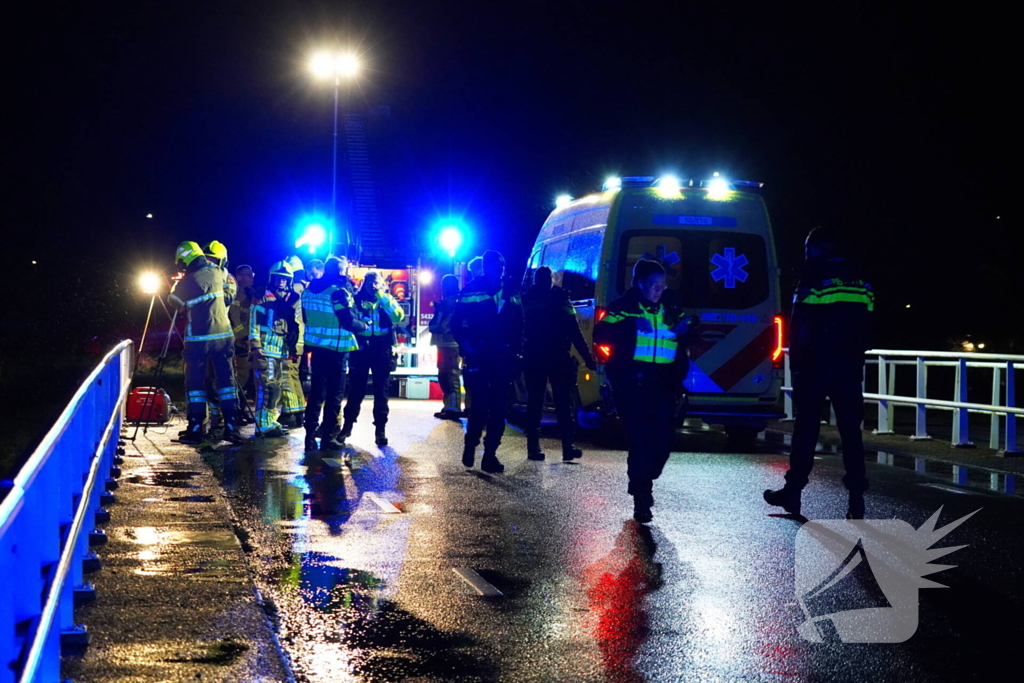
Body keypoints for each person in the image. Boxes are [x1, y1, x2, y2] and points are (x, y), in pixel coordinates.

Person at [764, 227, 874, 519]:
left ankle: (793, 493)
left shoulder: (813, 276)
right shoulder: (860, 278)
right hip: (849, 367)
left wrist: (797, 364)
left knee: (806, 431)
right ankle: (856, 500)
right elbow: (870, 324)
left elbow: (800, 326)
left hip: (814, 367)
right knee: (851, 432)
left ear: (815, 249)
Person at [593, 259, 698, 523]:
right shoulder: (624, 307)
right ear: (640, 284)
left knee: (663, 440)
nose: (658, 290)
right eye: (654, 285)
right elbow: (600, 333)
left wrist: (686, 330)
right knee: (639, 439)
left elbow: (689, 333)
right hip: (632, 383)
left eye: (662, 285)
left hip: (663, 384)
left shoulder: (670, 307)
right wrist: (629, 327)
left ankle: (642, 479)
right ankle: (642, 497)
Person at [451, 250, 524, 473]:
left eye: (501, 266)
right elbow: (456, 322)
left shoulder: (511, 289)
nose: (499, 269)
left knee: (499, 409)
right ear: (486, 267)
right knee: (481, 406)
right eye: (495, 266)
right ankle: (471, 443)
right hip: (479, 356)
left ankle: (490, 454)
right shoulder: (473, 288)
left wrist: (517, 351)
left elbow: (520, 323)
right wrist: (466, 345)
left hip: (503, 357)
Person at [168, 241, 242, 445]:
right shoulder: (220, 273)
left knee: (195, 385)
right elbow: (228, 295)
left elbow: (173, 301)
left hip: (198, 341)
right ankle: (231, 427)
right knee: (227, 382)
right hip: (223, 339)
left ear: (185, 260)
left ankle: (196, 427)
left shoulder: (187, 282)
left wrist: (178, 283)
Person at [521, 266, 597, 461]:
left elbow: (518, 330)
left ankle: (536, 447)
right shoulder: (560, 298)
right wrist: (587, 358)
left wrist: (587, 358)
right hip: (554, 356)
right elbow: (574, 331)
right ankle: (566, 446)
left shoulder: (527, 298)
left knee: (537, 403)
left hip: (537, 356)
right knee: (561, 403)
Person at [301, 255, 364, 452]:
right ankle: (328, 437)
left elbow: (306, 317)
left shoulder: (308, 291)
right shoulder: (337, 292)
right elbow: (348, 320)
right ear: (339, 271)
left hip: (317, 348)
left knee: (316, 394)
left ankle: (310, 437)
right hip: (336, 350)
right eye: (344, 270)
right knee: (334, 395)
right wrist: (364, 325)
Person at [340, 270, 406, 446]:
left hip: (382, 349)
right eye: (370, 282)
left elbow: (398, 316)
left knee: (381, 392)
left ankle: (380, 430)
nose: (373, 285)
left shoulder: (386, 299)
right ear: (364, 283)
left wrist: (380, 294)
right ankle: (347, 427)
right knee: (356, 391)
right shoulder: (355, 299)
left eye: (376, 282)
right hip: (360, 349)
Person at [249, 261, 302, 438]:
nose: (281, 282)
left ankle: (270, 421)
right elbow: (253, 323)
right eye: (278, 279)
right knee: (267, 388)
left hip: (281, 351)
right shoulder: (262, 296)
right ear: (272, 278)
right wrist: (256, 346)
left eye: (285, 280)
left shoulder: (291, 299)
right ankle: (262, 424)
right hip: (265, 350)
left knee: (276, 389)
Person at [278, 256, 308, 427]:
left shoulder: (295, 289)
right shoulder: (305, 287)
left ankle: (290, 412)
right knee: (294, 375)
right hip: (301, 339)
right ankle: (297, 411)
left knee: (286, 375)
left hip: (292, 339)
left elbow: (285, 311)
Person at [429, 274, 463, 420]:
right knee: (444, 375)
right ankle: (448, 405)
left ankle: (454, 408)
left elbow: (447, 324)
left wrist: (439, 327)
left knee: (451, 375)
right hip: (442, 344)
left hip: (451, 343)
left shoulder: (456, 301)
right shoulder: (447, 301)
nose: (442, 288)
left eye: (445, 285)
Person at [232, 264, 256, 399]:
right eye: (248, 274)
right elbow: (234, 319)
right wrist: (243, 338)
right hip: (240, 343)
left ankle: (240, 407)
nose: (251, 277)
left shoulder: (250, 293)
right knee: (242, 376)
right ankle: (234, 407)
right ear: (239, 277)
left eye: (252, 274)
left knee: (249, 377)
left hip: (249, 341)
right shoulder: (236, 294)